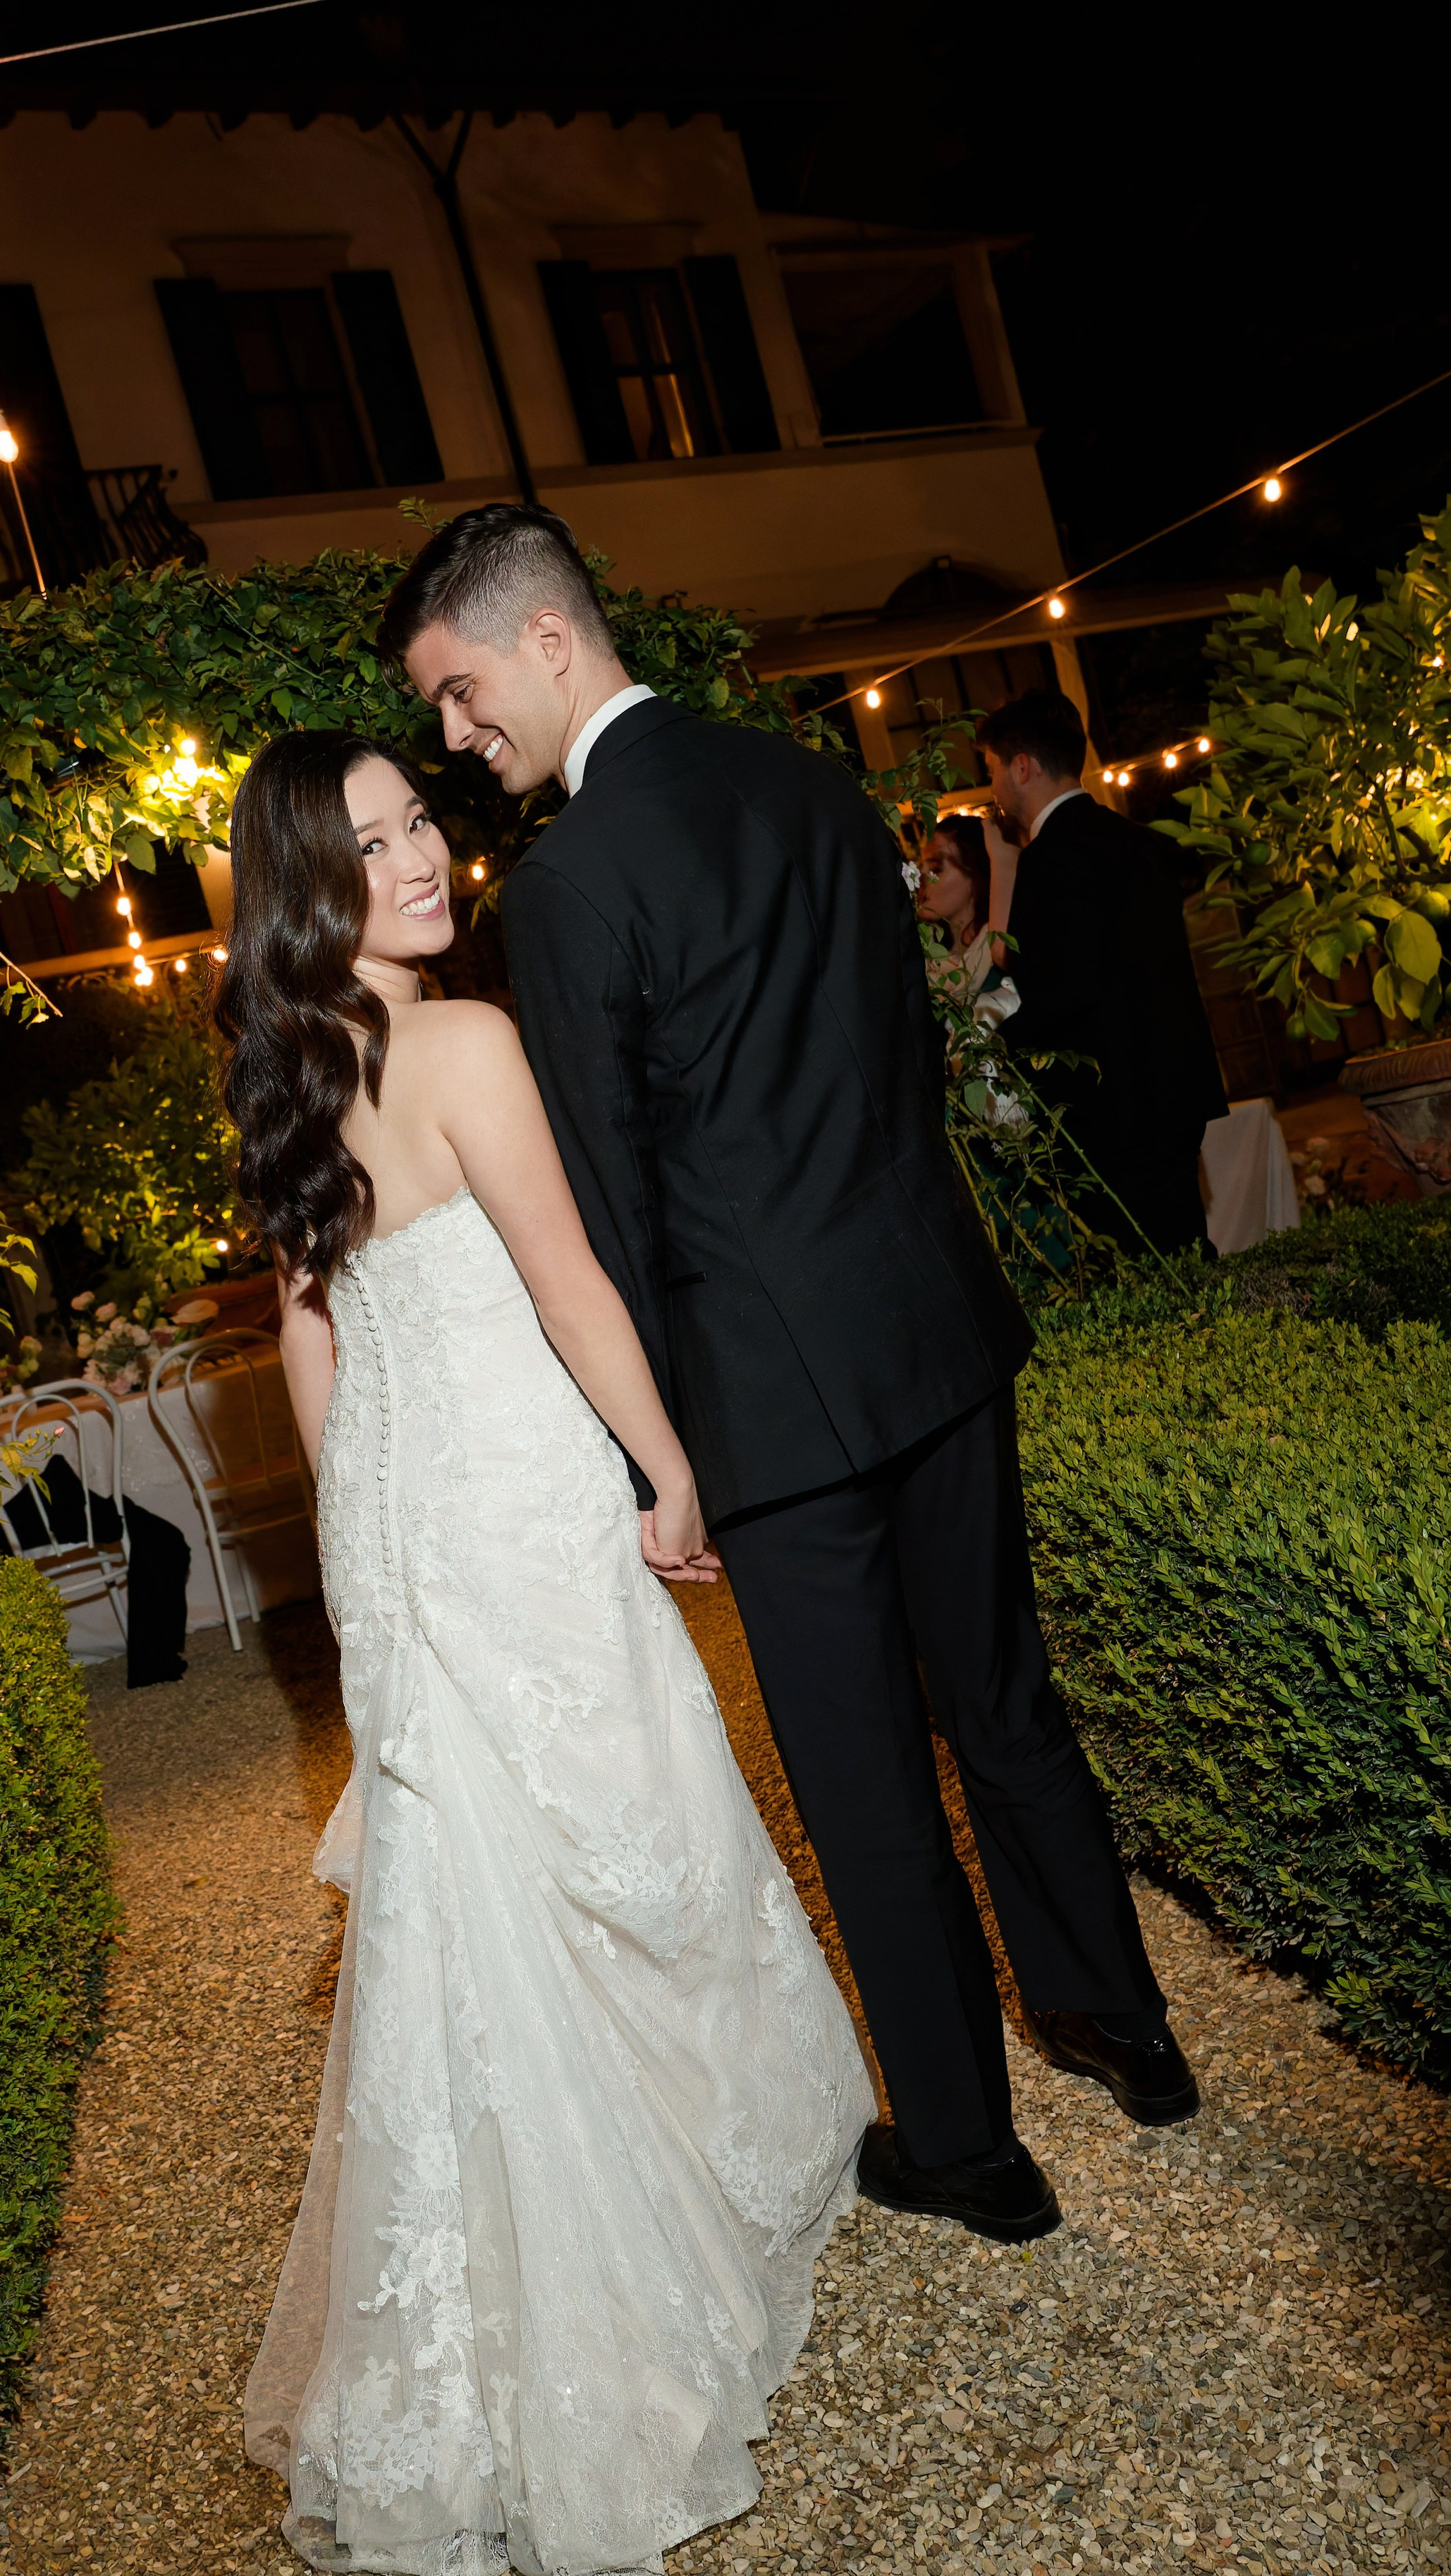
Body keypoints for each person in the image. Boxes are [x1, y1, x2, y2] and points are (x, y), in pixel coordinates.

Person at [381, 501, 1200, 2252]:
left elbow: (605, 1190)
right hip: (935, 1327)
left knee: (862, 1779)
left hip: (772, 1403)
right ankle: (1125, 2029)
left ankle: (970, 2146)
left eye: (455, 694)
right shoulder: (816, 784)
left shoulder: (577, 882)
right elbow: (901, 1062)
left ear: (540, 640)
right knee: (1005, 1698)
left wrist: (648, 1454)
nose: (457, 739)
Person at [222, 730, 870, 2576]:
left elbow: (311, 1340)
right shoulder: (466, 1045)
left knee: (483, 1908)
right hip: (520, 1510)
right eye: (375, 840)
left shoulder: (295, 1074)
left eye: (423, 816)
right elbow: (572, 1280)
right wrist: (668, 1462)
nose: (424, 852)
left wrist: (365, 1550)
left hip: (425, 1531)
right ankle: (660, 2246)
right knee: (632, 1828)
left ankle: (460, 2353)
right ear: (309, 885)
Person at [977, 687, 1228, 1254]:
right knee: (1185, 1252)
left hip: (1112, 1108)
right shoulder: (1139, 843)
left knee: (1141, 1272)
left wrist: (989, 1044)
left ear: (1023, 767)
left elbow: (1060, 988)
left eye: (992, 768)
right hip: (1175, 1088)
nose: (992, 786)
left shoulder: (1050, 857)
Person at [914, 810, 1019, 1020]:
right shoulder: (921, 959)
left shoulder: (1001, 955)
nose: (922, 876)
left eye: (936, 868)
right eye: (921, 865)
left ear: (974, 875)